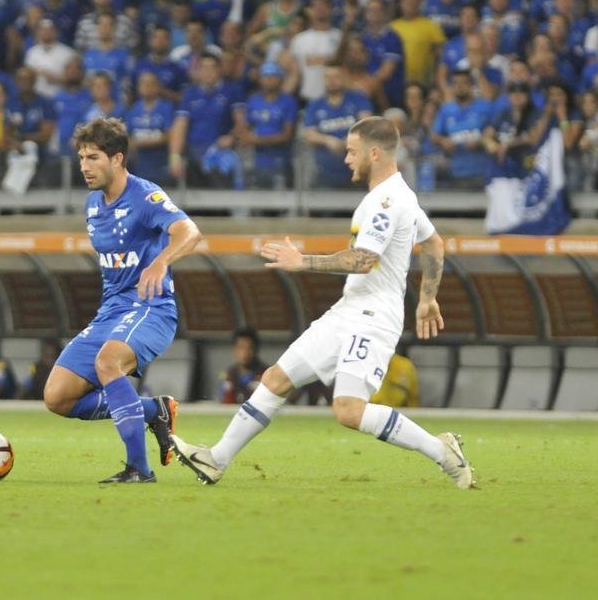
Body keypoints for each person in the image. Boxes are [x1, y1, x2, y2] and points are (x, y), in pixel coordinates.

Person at [169, 116, 473, 489]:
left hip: (373, 316)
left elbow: (364, 260)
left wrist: (303, 261)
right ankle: (216, 459)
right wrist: (427, 299)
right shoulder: (400, 195)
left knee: (348, 411)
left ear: (374, 153)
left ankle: (443, 452)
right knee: (276, 379)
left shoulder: (386, 201)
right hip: (349, 309)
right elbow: (433, 243)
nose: (345, 158)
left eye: (351, 151)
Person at [42, 117, 202, 483]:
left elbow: (190, 232)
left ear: (117, 159)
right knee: (57, 398)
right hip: (110, 313)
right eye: (81, 158)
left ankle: (138, 470)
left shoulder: (146, 196)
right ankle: (151, 410)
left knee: (108, 362)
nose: (84, 166)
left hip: (152, 308)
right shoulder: (92, 204)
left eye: (93, 157)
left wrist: (161, 261)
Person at [218, 327, 267, 404]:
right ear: (234, 350)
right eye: (241, 347)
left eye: (249, 348)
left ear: (256, 350)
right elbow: (224, 401)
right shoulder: (229, 374)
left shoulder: (265, 374)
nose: (245, 353)